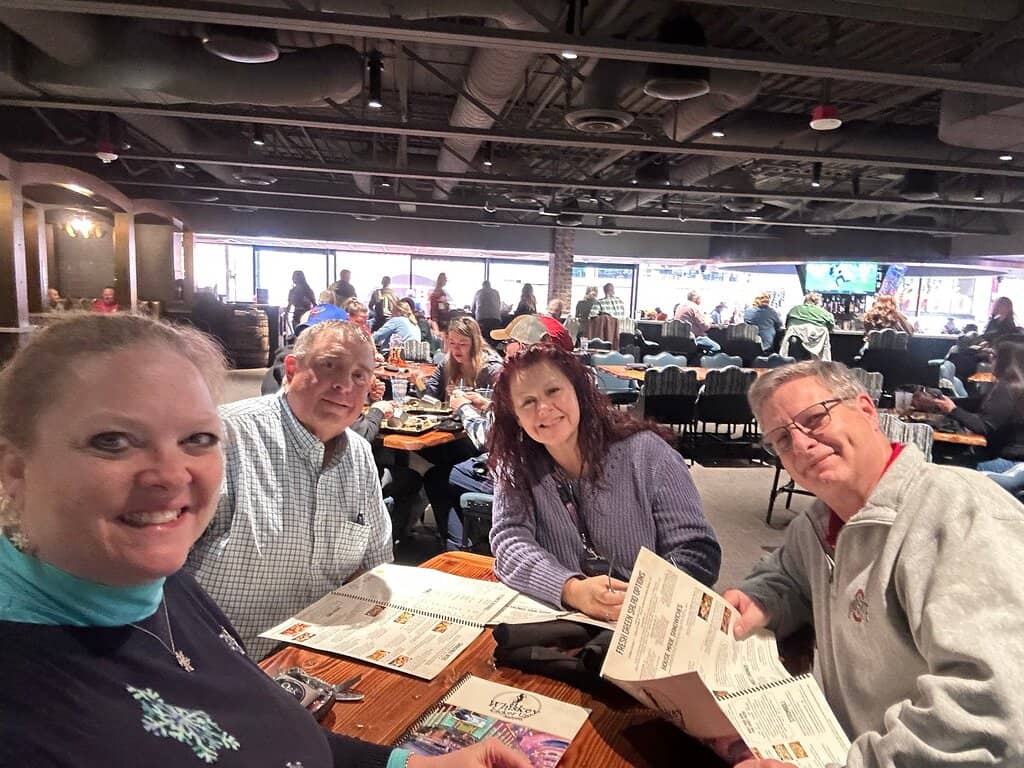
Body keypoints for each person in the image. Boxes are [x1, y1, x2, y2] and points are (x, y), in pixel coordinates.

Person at [0, 313, 528, 768]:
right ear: (13, 469)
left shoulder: (154, 583)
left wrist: (404, 763)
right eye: (111, 441)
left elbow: (260, 738)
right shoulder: (30, 706)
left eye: (196, 439)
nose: (169, 473)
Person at [722, 360, 1024, 768]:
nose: (801, 445)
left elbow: (993, 714)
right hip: (832, 744)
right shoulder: (817, 523)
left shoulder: (959, 511)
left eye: (814, 419)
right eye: (781, 439)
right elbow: (788, 576)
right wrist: (761, 599)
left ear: (866, 410)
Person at [187, 320, 394, 659]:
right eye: (330, 365)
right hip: (223, 667)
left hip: (321, 662)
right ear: (292, 369)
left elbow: (372, 569)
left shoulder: (358, 454)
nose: (344, 384)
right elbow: (154, 580)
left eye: (359, 375)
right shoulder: (224, 438)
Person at [487, 345, 721, 621]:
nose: (545, 409)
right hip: (564, 619)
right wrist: (571, 589)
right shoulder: (516, 465)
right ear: (516, 417)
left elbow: (696, 550)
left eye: (553, 391)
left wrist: (640, 602)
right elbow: (509, 541)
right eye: (528, 402)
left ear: (577, 390)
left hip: (648, 620)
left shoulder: (647, 454)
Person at [423, 316, 574, 549]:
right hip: (552, 480)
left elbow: (487, 437)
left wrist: (463, 407)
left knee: (437, 477)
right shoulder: (555, 381)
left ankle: (460, 551)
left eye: (509, 343)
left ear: (522, 346)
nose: (504, 350)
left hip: (521, 481)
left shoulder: (519, 383)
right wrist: (488, 405)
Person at [922, 335, 1024, 474]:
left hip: (1007, 463)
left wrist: (952, 409)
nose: (989, 359)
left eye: (993, 355)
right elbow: (978, 403)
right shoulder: (1014, 386)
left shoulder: (1007, 389)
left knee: (941, 466)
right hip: (1014, 461)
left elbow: (984, 426)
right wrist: (941, 403)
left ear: (1006, 360)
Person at [416, 316, 502, 401]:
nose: (456, 349)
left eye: (462, 344)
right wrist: (419, 382)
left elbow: (501, 407)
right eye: (452, 343)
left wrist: (473, 399)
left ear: (475, 344)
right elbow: (431, 396)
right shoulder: (447, 363)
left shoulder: (491, 369)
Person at [781, 292, 835, 360]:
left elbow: (787, 325)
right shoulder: (823, 312)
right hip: (817, 346)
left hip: (796, 345)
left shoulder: (794, 309)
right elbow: (831, 324)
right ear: (816, 302)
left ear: (804, 301)